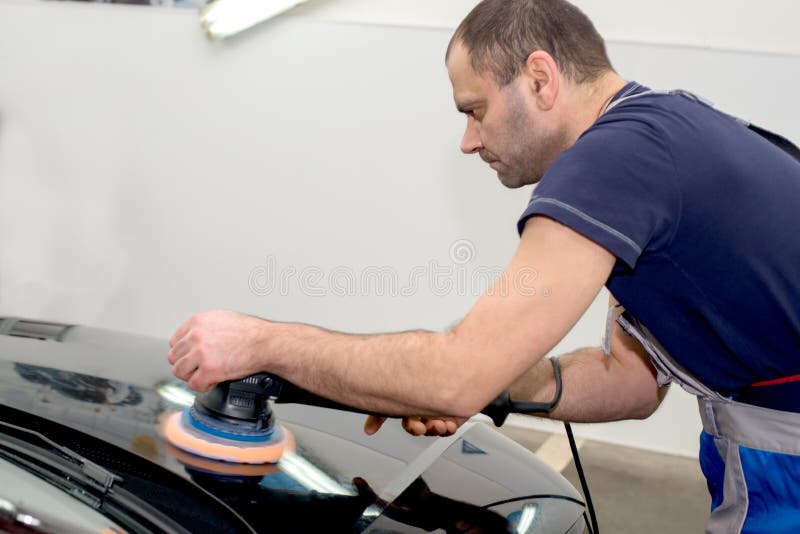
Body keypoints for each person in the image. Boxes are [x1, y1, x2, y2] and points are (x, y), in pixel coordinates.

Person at [167, 0, 800, 531]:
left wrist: (262, 342)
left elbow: (453, 375)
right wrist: (497, 383)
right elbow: (627, 382)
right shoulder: (662, 132)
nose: (469, 141)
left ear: (540, 79)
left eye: (475, 110)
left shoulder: (613, 163)